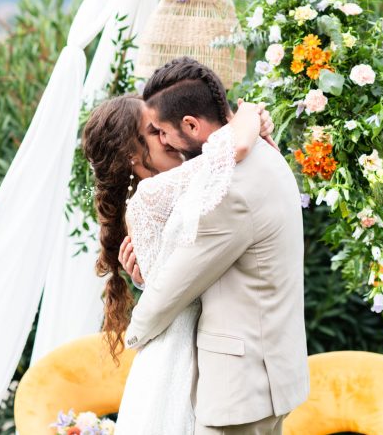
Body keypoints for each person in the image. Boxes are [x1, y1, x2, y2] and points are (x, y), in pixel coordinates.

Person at [120, 57, 310, 434]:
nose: (162, 142)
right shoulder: (264, 152)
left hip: (240, 391)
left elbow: (178, 284)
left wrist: (135, 333)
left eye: (161, 131)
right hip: (271, 376)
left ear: (190, 124)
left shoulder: (228, 190)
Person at [82, 77, 276, 433]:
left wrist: (253, 118)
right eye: (154, 131)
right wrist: (248, 117)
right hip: (181, 355)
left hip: (203, 353)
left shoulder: (186, 182)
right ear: (131, 155)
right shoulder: (152, 200)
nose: (166, 134)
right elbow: (236, 147)